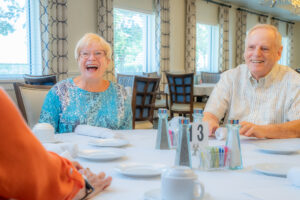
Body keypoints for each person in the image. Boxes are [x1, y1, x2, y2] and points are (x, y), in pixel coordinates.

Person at [0, 88, 112, 199]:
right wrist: (73, 185)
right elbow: (28, 169)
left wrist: (58, 165)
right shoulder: (58, 91)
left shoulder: (118, 92)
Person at [203, 24, 300, 139]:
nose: (256, 54)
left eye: (264, 48)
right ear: (245, 51)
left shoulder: (294, 82)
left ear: (279, 52)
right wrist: (210, 122)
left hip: (276, 153)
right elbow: (210, 114)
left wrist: (263, 130)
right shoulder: (230, 77)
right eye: (251, 47)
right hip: (234, 149)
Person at [39, 33, 132, 133]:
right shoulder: (58, 92)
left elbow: (127, 135)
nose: (91, 58)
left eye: (98, 53)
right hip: (68, 148)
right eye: (85, 53)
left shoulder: (121, 94)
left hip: (111, 149)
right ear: (78, 60)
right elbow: (44, 135)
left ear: (108, 61)